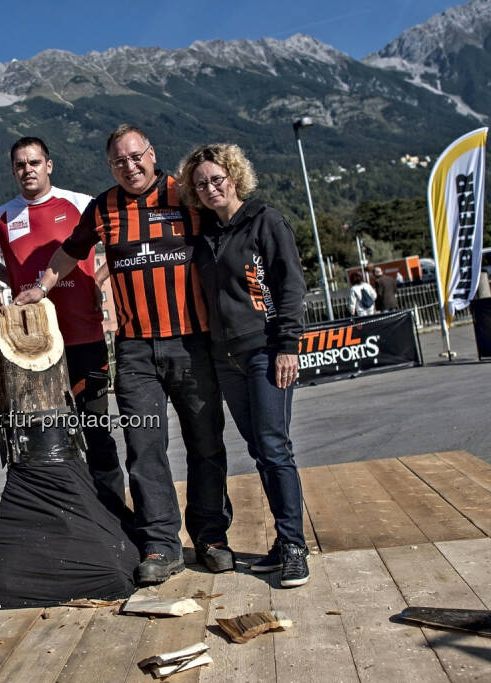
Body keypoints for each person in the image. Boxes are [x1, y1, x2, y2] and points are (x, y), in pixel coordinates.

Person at [15, 124, 233, 585]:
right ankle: (159, 544)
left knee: (206, 444)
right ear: (110, 166)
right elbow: (67, 253)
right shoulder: (103, 207)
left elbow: (231, 228)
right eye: (119, 161)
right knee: (144, 447)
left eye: (136, 156)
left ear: (152, 154)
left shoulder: (186, 192)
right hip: (135, 349)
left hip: (193, 342)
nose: (130, 166)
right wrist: (39, 289)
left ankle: (211, 536)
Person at [177, 142, 309, 587]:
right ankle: (281, 542)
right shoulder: (206, 235)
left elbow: (290, 284)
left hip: (266, 351)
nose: (211, 188)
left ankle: (293, 546)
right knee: (259, 450)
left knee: (274, 447)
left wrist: (288, 344)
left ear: (234, 176)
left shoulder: (265, 221)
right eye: (201, 184)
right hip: (225, 357)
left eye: (217, 178)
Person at [0, 136, 125, 519]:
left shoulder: (80, 204)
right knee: (51, 439)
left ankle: (115, 517)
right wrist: (13, 280)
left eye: (34, 162)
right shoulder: (1, 217)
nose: (28, 170)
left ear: (49, 165)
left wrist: (99, 279)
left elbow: (120, 245)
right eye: (20, 165)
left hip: (84, 337)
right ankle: (70, 518)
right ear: (13, 171)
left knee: (97, 434)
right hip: (33, 350)